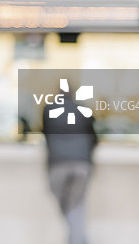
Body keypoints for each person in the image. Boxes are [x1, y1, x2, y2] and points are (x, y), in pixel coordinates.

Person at [42, 89, 98, 244]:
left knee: (69, 207)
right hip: (81, 164)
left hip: (58, 164)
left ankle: (78, 240)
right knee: (75, 207)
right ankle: (79, 240)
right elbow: (93, 136)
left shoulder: (49, 110)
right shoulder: (83, 109)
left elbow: (45, 133)